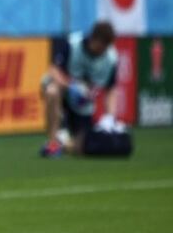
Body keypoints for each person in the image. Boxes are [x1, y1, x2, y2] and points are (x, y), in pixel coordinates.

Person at [40, 21, 119, 157]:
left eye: (106, 46)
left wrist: (110, 117)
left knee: (81, 148)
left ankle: (64, 142)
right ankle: (53, 143)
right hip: (64, 93)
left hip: (83, 103)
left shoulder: (110, 58)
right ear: (94, 39)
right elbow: (53, 70)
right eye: (101, 46)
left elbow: (111, 89)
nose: (103, 50)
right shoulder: (73, 44)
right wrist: (71, 86)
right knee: (52, 90)